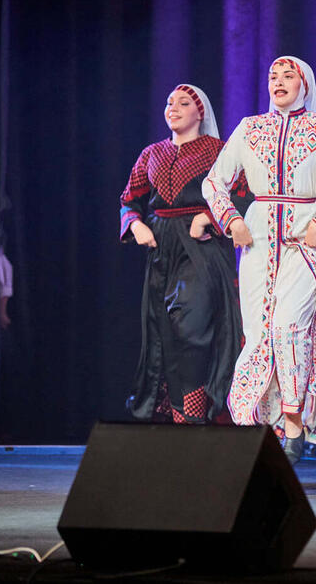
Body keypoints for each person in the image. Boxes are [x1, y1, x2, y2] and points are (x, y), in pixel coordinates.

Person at [203, 56, 316, 463]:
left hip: (306, 244)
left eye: (288, 76)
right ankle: (261, 425)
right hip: (258, 243)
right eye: (272, 76)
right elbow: (214, 182)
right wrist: (231, 220)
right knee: (260, 335)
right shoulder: (249, 128)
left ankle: (294, 419)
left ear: (305, 84)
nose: (278, 81)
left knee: (289, 326)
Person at [120, 84, 248, 424]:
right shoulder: (151, 154)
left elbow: (243, 194)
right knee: (165, 329)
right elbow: (129, 199)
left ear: (200, 112)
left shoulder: (219, 151)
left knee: (190, 324)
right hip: (162, 247)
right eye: (168, 102)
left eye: (183, 102)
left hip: (202, 246)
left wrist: (208, 217)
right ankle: (183, 414)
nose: (172, 107)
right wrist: (135, 225)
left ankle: (195, 409)